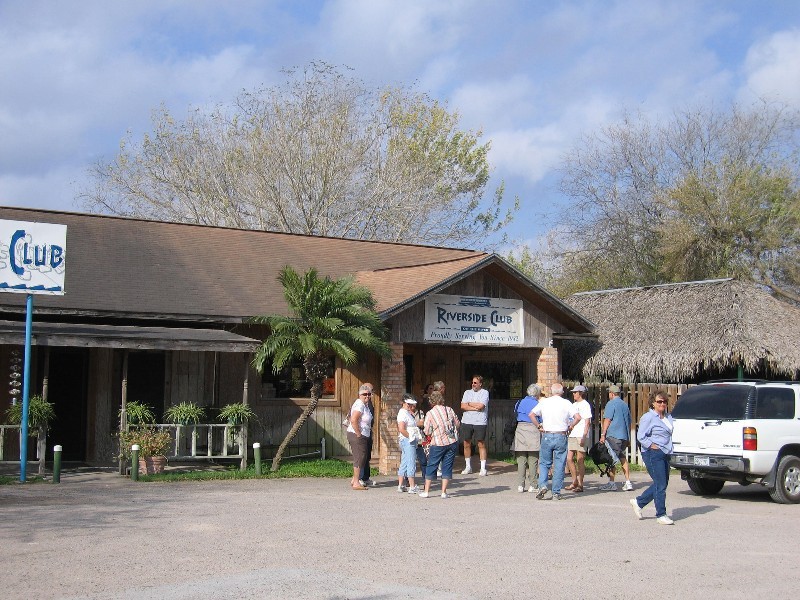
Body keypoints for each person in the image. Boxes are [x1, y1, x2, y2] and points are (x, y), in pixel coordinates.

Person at [531, 383, 582, 500]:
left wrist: (538, 426)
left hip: (547, 434)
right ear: (562, 392)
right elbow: (578, 417)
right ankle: (556, 492)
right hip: (561, 435)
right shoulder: (566, 403)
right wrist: (571, 426)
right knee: (559, 464)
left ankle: (543, 485)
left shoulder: (545, 402)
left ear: (551, 391)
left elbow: (531, 414)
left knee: (544, 463)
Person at [631, 390, 675, 525]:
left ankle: (639, 502)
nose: (662, 404)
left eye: (664, 401)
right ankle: (661, 514)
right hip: (652, 453)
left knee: (662, 483)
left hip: (666, 452)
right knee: (660, 484)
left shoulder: (668, 417)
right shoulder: (648, 417)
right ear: (653, 403)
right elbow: (641, 436)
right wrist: (651, 445)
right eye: (659, 401)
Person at [421, 390, 460, 498]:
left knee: (432, 465)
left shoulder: (430, 413)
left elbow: (427, 431)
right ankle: (444, 492)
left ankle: (426, 491)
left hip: (438, 443)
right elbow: (457, 424)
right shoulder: (449, 409)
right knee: (447, 467)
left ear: (431, 401)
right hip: (451, 441)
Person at [599, 384, 633, 491]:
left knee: (611, 458)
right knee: (622, 457)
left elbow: (607, 419)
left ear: (612, 394)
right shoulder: (624, 405)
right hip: (624, 436)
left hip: (613, 435)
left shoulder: (611, 404)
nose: (608, 394)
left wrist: (603, 434)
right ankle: (628, 481)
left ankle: (612, 482)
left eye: (609, 393)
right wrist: (628, 436)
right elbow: (629, 421)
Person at [513, 383, 542, 493]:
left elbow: (515, 414)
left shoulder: (519, 402)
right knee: (533, 458)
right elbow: (541, 418)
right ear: (537, 393)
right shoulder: (537, 404)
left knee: (521, 459)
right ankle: (533, 484)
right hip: (533, 428)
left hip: (520, 428)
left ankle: (520, 485)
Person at [460, 374, 489, 476]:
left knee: (481, 443)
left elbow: (481, 406)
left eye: (475, 383)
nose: (473, 384)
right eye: (472, 382)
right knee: (466, 443)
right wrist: (474, 406)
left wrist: (469, 403)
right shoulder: (467, 392)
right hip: (467, 421)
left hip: (480, 421)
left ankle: (483, 468)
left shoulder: (485, 393)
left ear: (480, 384)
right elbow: (463, 406)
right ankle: (468, 466)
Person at [565, 384, 592, 492]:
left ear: (580, 393)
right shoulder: (573, 405)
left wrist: (584, 436)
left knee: (580, 459)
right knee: (569, 458)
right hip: (572, 434)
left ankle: (580, 484)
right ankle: (574, 481)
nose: (573, 394)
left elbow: (587, 422)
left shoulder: (585, 405)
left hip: (581, 434)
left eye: (575, 392)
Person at [347, 383, 374, 490]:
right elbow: (353, 420)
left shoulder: (365, 405)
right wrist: (358, 433)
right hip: (357, 435)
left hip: (363, 434)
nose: (367, 396)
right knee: (359, 458)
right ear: (359, 395)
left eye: (369, 394)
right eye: (364, 394)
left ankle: (354, 479)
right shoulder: (360, 405)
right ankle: (356, 483)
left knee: (362, 457)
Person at [397, 393, 421, 494]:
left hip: (407, 439)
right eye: (408, 404)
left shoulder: (406, 412)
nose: (410, 406)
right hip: (407, 440)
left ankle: (401, 485)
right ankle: (412, 486)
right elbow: (401, 429)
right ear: (404, 403)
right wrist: (410, 437)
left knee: (405, 461)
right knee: (411, 462)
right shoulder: (403, 413)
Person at [358, 382, 377, 487]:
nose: (370, 394)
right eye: (369, 392)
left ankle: (366, 477)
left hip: (368, 431)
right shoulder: (360, 404)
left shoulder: (369, 403)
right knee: (362, 455)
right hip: (361, 433)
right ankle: (359, 477)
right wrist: (358, 433)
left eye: (371, 392)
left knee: (367, 455)